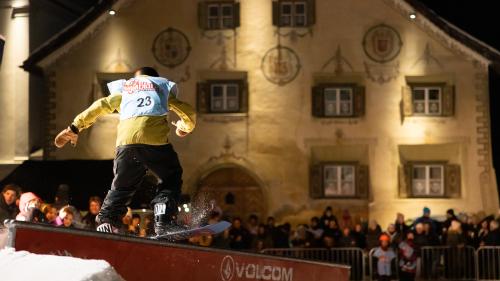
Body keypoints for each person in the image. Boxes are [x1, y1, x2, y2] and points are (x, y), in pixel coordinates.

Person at [54, 67, 196, 235]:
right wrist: (184, 127)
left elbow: (100, 105)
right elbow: (188, 112)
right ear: (154, 77)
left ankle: (107, 220)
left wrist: (75, 127)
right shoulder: (161, 86)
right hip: (155, 143)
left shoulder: (126, 89)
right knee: (171, 177)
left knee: (122, 186)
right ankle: (163, 215)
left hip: (126, 144)